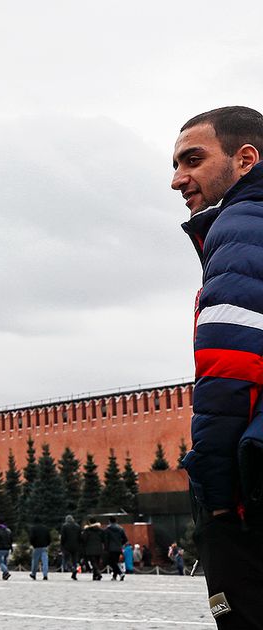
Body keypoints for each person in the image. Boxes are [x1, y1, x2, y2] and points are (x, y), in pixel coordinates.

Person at [173, 106, 263, 628]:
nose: (177, 179)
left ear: (245, 159)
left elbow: (229, 370)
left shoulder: (242, 226)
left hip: (250, 499)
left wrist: (218, 501)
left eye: (193, 160)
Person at [103, 516, 127, 582]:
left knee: (112, 562)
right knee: (115, 562)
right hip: (118, 548)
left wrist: (106, 548)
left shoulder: (107, 529)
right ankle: (114, 576)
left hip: (110, 548)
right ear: (116, 521)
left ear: (109, 521)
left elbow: (106, 540)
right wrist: (120, 544)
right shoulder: (121, 529)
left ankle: (120, 573)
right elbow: (125, 539)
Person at [60, 515, 82, 579]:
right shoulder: (77, 526)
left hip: (67, 545)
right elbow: (79, 537)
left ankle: (72, 568)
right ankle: (74, 574)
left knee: (66, 559)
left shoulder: (64, 526)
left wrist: (62, 545)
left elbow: (63, 537)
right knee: (74, 560)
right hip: (76, 545)